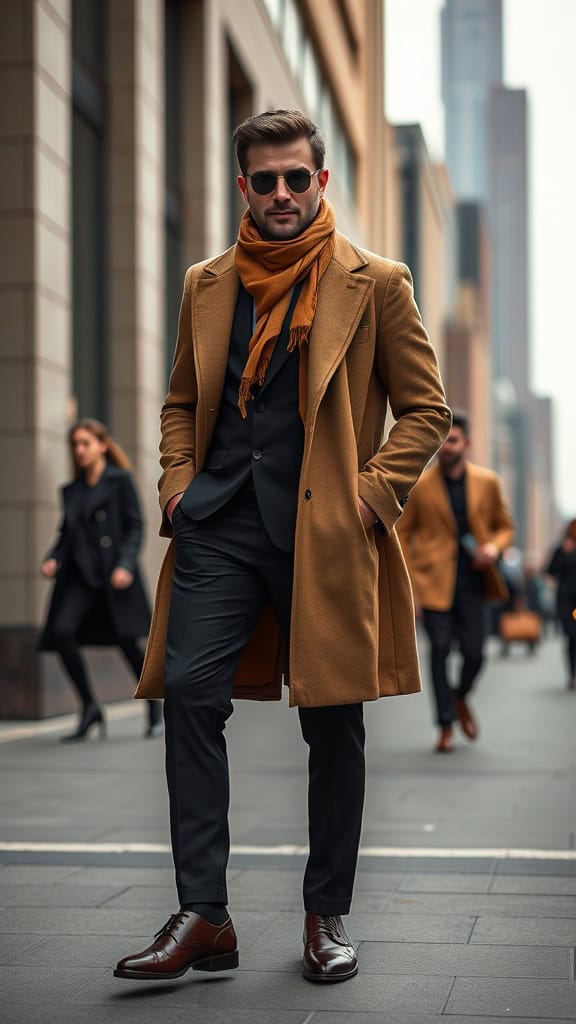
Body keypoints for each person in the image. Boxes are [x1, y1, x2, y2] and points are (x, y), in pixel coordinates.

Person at [114, 109, 451, 985]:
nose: (281, 194)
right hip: (219, 523)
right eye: (264, 181)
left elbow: (426, 411)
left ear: (321, 181)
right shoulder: (207, 283)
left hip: (325, 531)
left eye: (296, 178)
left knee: (332, 720)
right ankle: (205, 914)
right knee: (189, 692)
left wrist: (371, 500)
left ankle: (324, 912)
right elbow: (182, 401)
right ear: (244, 188)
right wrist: (176, 484)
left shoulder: (376, 283)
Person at [397, 410, 514, 752]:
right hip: (433, 583)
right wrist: (410, 588)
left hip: (474, 581)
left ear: (467, 443)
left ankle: (460, 697)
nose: (447, 447)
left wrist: (493, 547)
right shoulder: (420, 485)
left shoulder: (487, 482)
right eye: (443, 441)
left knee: (476, 654)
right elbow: (402, 534)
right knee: (439, 652)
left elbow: (505, 527)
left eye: (454, 440)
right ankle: (445, 724)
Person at [38, 419, 162, 740]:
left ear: (102, 445)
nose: (79, 450)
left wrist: (126, 564)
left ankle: (153, 703)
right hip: (79, 577)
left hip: (113, 576)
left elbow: (135, 525)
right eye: (75, 445)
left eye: (85, 443)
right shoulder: (73, 491)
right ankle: (90, 707)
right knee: (62, 632)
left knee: (126, 641)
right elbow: (66, 534)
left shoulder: (120, 481)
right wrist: (53, 558)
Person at [546, 519, 576, 688]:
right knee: (572, 636)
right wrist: (563, 554)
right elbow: (550, 571)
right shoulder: (562, 549)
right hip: (567, 601)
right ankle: (571, 673)